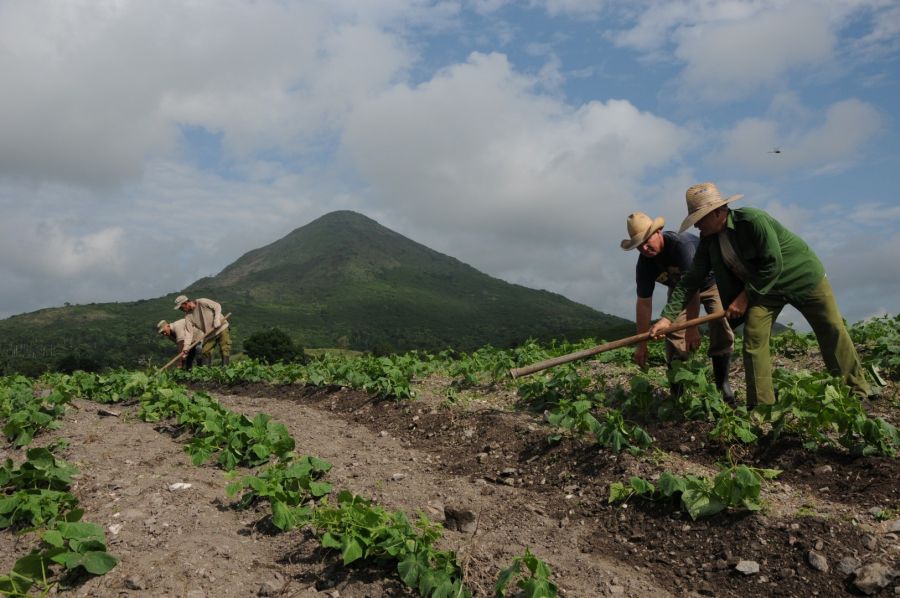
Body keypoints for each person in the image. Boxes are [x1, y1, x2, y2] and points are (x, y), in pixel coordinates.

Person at [649, 182, 870, 408]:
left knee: (831, 328)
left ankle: (856, 391)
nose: (696, 226)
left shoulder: (753, 220)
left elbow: (773, 264)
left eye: (700, 218)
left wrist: (743, 299)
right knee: (754, 338)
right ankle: (762, 406)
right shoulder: (709, 240)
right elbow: (690, 280)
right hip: (764, 289)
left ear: (718, 212)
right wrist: (667, 318)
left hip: (801, 278)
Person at [621, 212, 735, 401]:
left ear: (658, 232)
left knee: (720, 325)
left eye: (647, 240)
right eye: (639, 246)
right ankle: (677, 392)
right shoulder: (644, 264)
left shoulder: (681, 246)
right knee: (673, 333)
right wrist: (641, 344)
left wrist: (692, 328)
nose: (645, 248)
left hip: (710, 283)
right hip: (679, 290)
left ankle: (722, 384)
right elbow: (643, 303)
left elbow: (693, 286)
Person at [174, 295, 231, 366]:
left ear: (185, 303)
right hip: (209, 334)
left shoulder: (201, 302)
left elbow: (217, 306)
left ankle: (225, 368)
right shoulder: (188, 317)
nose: (181, 310)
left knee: (224, 348)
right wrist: (186, 347)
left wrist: (216, 319)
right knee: (205, 351)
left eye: (181, 308)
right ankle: (207, 373)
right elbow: (189, 333)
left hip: (221, 326)